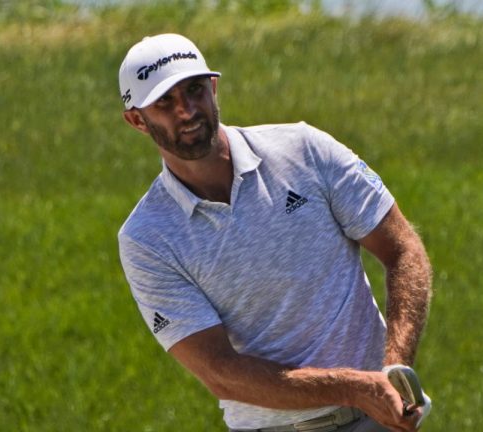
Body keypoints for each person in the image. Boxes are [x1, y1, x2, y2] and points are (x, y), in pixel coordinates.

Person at [117, 33, 433, 432]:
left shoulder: (304, 149)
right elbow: (220, 372)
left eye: (195, 90)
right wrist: (355, 388)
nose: (187, 110)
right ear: (136, 120)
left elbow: (402, 249)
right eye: (164, 102)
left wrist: (394, 372)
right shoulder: (147, 238)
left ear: (213, 87)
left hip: (379, 419)